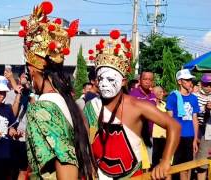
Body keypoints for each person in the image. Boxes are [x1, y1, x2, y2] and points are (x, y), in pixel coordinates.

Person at [83, 31, 180, 179]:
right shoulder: (91, 106)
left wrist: (165, 161)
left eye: (110, 79)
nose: (104, 84)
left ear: (123, 82)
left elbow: (173, 126)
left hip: (132, 176)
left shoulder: (138, 106)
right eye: (100, 78)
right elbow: (84, 142)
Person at [18, 1, 96, 179]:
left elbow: (66, 164)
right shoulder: (68, 103)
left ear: (33, 68)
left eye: (28, 67)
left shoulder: (42, 108)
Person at [166, 69, 199, 180]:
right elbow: (169, 119)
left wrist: (195, 139)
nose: (190, 82)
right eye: (187, 80)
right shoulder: (172, 97)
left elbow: (195, 119)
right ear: (180, 81)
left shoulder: (194, 98)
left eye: (191, 80)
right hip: (176, 137)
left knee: (187, 167)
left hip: (189, 136)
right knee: (174, 166)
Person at [193, 73, 211, 180]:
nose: (209, 87)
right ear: (202, 84)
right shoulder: (195, 96)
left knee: (203, 160)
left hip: (208, 130)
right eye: (206, 84)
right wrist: (204, 108)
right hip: (196, 129)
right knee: (197, 159)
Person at [151, 86, 168, 168]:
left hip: (164, 136)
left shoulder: (165, 105)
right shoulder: (151, 105)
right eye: (160, 92)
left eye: (162, 92)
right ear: (154, 93)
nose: (162, 93)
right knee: (154, 160)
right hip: (154, 136)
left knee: (163, 159)